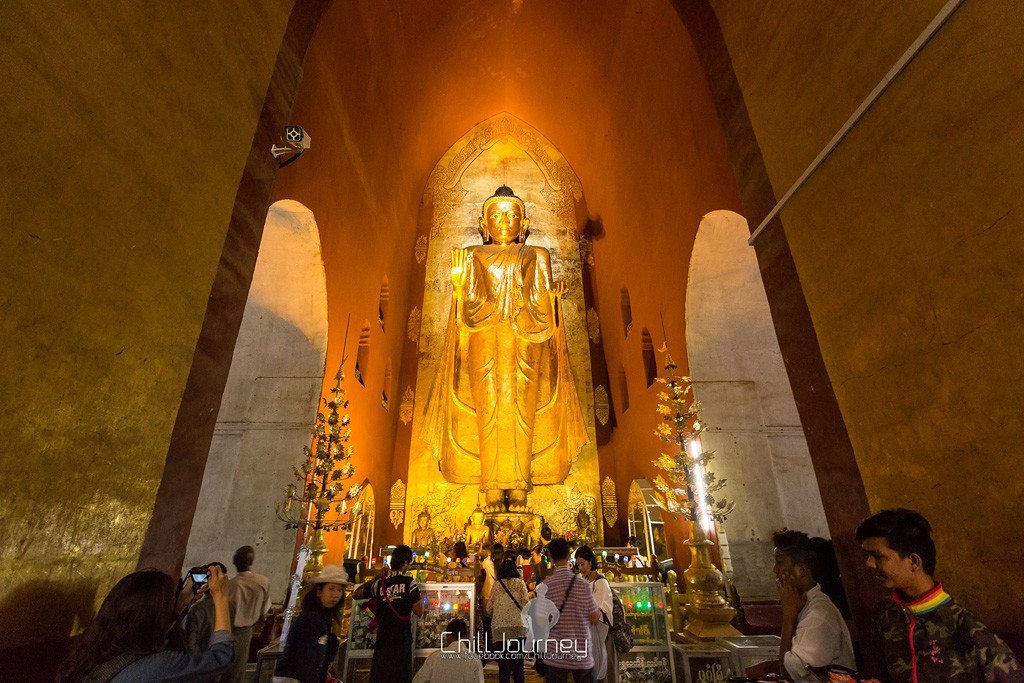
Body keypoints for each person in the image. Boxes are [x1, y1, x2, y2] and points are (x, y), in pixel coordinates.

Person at [422, 185, 588, 514]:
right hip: (484, 338)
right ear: (483, 224)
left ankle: (520, 487)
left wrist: (553, 298)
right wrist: (458, 285)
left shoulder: (537, 255)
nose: (504, 221)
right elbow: (470, 305)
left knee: (521, 412)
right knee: (490, 411)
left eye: (512, 216)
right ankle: (492, 488)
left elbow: (540, 304)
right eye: (496, 216)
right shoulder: (473, 255)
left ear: (523, 224)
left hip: (527, 339)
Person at [857, 509, 1022, 682]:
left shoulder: (971, 633)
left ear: (914, 561)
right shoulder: (885, 615)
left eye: (877, 556)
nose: (869, 564)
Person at [57, 566, 234, 682]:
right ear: (153, 620)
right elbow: (221, 658)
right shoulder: (160, 666)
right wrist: (221, 597)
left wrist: (179, 604)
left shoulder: (92, 651)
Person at [747, 530, 855, 681]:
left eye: (779, 562)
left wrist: (788, 616)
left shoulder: (819, 615)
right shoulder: (806, 605)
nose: (775, 570)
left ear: (801, 571)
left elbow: (789, 674)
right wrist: (768, 666)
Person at [354, 545, 424, 682]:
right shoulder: (409, 583)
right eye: (408, 564)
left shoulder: (379, 584)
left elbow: (356, 594)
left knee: (381, 677)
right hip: (402, 641)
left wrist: (375, 578)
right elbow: (419, 611)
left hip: (382, 640)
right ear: (405, 563)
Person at [540, 538, 601, 682]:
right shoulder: (583, 584)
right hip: (581, 650)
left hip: (556, 652)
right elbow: (595, 618)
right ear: (569, 556)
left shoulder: (546, 585)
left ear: (551, 558)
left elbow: (541, 621)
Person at [273, 564, 346, 683]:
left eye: (339, 590)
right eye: (331, 588)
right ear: (319, 591)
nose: (336, 594)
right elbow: (307, 660)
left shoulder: (325, 618)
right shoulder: (311, 619)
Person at [225, 545, 271, 683]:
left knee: (224, 670)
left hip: (226, 630)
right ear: (251, 562)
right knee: (237, 671)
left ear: (234, 562)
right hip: (245, 631)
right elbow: (265, 611)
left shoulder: (229, 585)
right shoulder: (262, 582)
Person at [573, 546, 617, 683]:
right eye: (578, 564)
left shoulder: (600, 582)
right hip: (588, 634)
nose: (580, 568)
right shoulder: (584, 581)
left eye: (582, 564)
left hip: (600, 634)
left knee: (602, 672)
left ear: (590, 562)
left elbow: (594, 612)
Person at [488, 558, 530, 683]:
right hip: (518, 629)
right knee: (518, 668)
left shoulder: (497, 585)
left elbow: (489, 608)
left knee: (504, 669)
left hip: (500, 632)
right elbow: (526, 606)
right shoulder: (520, 583)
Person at [413, 618, 484, 683]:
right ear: (465, 637)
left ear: (448, 636)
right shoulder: (474, 660)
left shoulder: (434, 657)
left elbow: (417, 681)